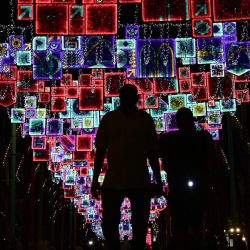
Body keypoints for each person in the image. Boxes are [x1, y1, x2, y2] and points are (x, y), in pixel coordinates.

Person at [91, 84, 163, 250]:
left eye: (131, 96)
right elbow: (100, 152)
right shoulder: (109, 119)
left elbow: (153, 153)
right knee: (109, 222)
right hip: (114, 180)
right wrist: (94, 181)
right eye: (125, 96)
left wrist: (158, 181)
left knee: (140, 223)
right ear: (120, 98)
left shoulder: (145, 119)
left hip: (139, 180)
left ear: (136, 98)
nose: (129, 100)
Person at [159, 107, 215, 250]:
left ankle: (195, 240)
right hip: (181, 185)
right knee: (182, 221)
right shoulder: (172, 139)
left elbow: (210, 160)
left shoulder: (201, 137)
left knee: (192, 220)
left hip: (192, 185)